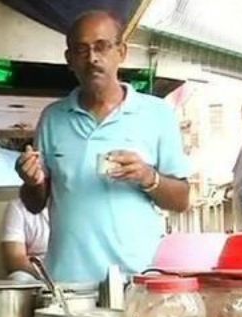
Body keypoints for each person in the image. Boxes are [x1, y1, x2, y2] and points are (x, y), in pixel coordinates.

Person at [15, 10, 191, 287]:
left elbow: (181, 200)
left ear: (121, 52)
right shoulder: (53, 117)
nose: (92, 58)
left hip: (137, 280)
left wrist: (148, 177)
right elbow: (35, 203)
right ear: (69, 59)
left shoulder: (158, 114)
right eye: (81, 50)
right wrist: (31, 180)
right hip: (68, 283)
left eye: (102, 46)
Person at [1, 197, 49, 281]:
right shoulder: (18, 207)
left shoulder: (76, 206)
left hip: (72, 270)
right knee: (18, 278)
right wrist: (48, 275)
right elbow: (14, 260)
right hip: (36, 273)